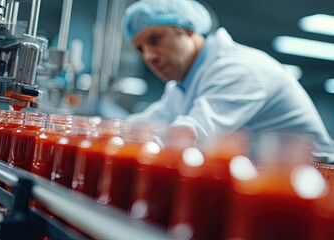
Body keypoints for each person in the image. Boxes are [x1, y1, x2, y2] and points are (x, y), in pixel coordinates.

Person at [122, 0, 334, 162]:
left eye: (155, 39)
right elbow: (149, 124)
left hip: (315, 179)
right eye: (140, 49)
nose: (149, 56)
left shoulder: (236, 69)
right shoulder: (181, 85)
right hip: (268, 174)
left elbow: (189, 135)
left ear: (188, 29)